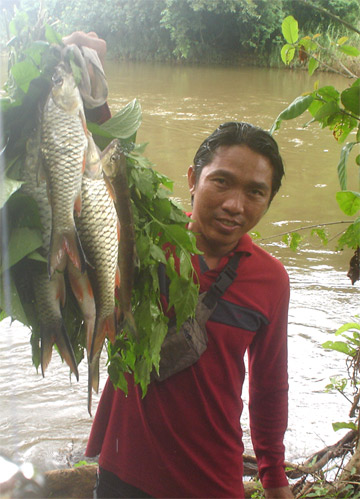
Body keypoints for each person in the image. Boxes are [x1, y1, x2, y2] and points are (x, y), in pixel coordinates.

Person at [85, 119, 294, 498]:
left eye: (255, 192)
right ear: (192, 179)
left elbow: (269, 389)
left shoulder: (271, 281)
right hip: (124, 471)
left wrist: (275, 479)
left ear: (268, 201)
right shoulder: (143, 242)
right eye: (221, 181)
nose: (234, 205)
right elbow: (98, 169)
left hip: (211, 480)